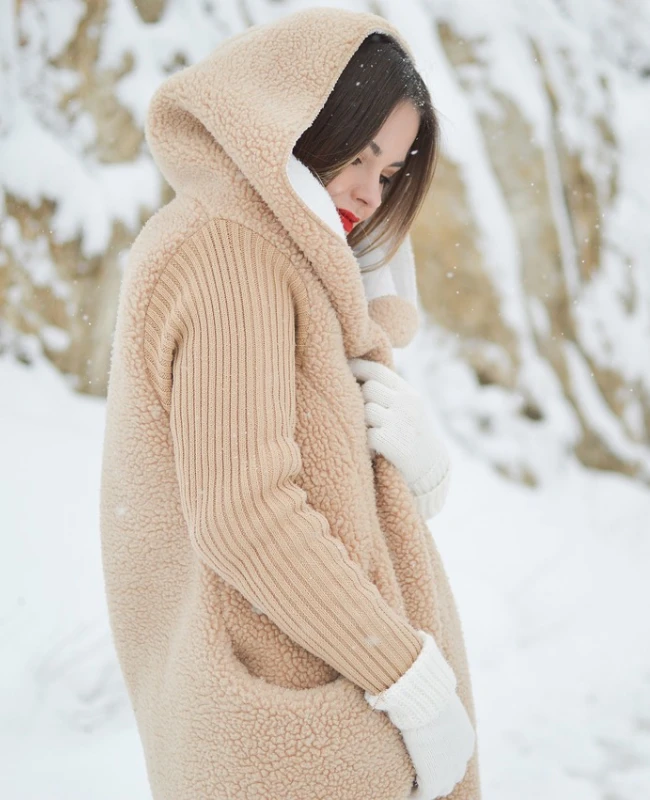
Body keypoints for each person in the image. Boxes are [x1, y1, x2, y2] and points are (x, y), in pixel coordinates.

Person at [99, 7, 480, 800]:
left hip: (318, 715)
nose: (368, 192)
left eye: (390, 173)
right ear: (296, 119)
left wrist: (418, 475)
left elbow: (317, 484)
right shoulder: (231, 248)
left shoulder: (290, 261)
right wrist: (411, 683)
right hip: (291, 735)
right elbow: (248, 515)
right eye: (359, 153)